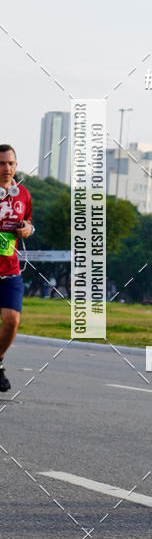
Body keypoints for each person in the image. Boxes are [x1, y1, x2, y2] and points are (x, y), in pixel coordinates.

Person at [0, 145, 34, 392]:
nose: (6, 168)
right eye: (2, 164)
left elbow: (29, 222)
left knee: (12, 320)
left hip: (10, 269)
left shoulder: (22, 194)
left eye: (11, 163)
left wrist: (27, 229)